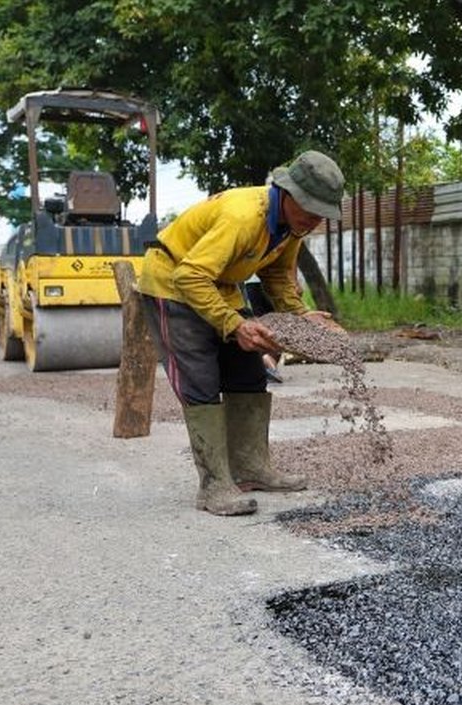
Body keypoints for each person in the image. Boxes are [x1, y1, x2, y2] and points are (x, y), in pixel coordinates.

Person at [137, 150, 343, 516]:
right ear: (288, 192)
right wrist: (234, 324)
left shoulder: (291, 226)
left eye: (321, 216)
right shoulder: (244, 216)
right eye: (310, 211)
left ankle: (250, 469)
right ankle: (214, 486)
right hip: (172, 282)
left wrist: (300, 318)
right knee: (201, 378)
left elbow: (278, 277)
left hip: (219, 284)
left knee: (248, 371)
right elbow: (189, 276)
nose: (313, 221)